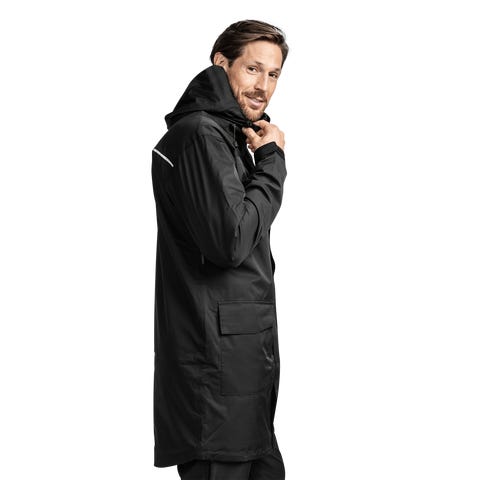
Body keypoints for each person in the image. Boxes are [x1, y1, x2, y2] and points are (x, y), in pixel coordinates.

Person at [151, 19, 289, 480]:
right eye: (253, 69)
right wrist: (272, 162)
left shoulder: (227, 137)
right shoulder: (200, 135)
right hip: (215, 389)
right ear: (221, 63)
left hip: (241, 380)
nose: (263, 85)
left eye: (273, 74)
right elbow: (231, 241)